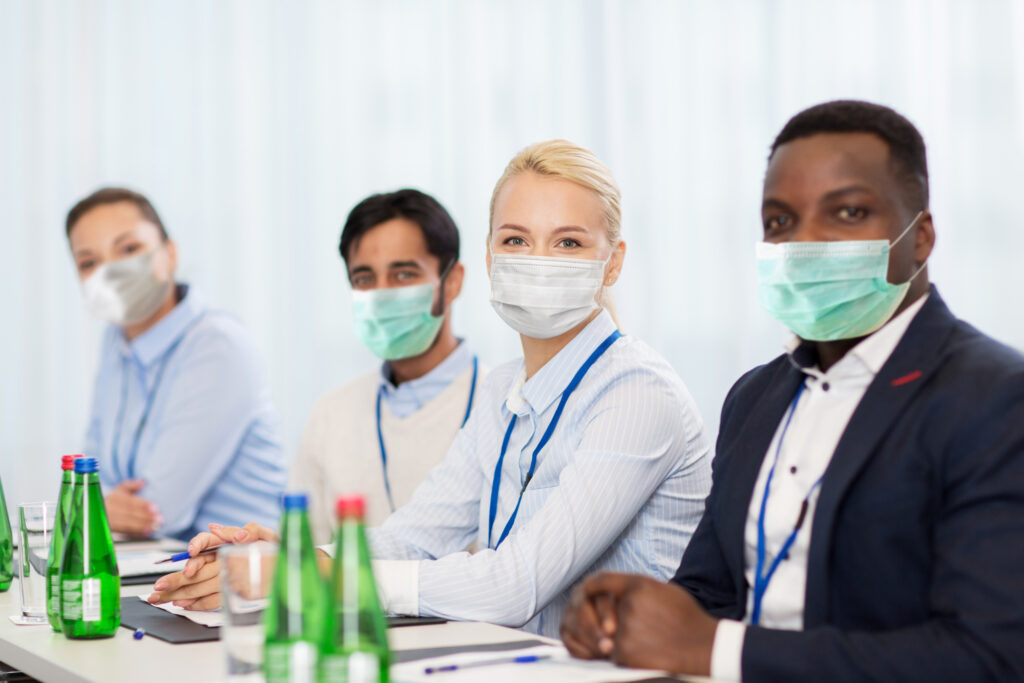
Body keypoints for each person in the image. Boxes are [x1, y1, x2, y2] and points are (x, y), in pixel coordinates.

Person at [148, 140, 713, 638]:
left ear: (612, 263)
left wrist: (318, 577)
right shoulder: (503, 392)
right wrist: (290, 559)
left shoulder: (637, 393)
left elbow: (515, 585)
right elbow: (413, 538)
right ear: (490, 259)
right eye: (516, 240)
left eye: (567, 243)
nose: (538, 261)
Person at [559, 100, 1024, 681]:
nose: (806, 243)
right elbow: (709, 592)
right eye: (780, 221)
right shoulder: (755, 397)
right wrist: (624, 619)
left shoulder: (995, 398)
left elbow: (989, 657)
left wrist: (717, 650)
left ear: (921, 237)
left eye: (848, 212)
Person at [69, 187, 287, 541]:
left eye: (128, 249)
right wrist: (99, 503)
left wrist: (96, 504)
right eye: (89, 263)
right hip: (155, 567)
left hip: (239, 578)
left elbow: (159, 511)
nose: (109, 272)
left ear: (169, 254)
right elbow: (85, 477)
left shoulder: (218, 345)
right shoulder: (115, 341)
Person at [290, 189, 484, 541]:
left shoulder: (504, 406)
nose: (381, 294)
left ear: (452, 281)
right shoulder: (331, 414)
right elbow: (305, 558)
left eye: (404, 275)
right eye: (364, 279)